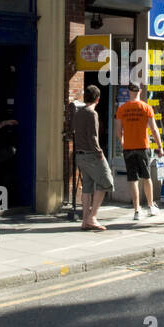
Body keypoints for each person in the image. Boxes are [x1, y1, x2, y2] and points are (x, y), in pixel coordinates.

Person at [116, 84, 163, 221]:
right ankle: (150, 206)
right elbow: (154, 129)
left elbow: (118, 131)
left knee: (133, 179)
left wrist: (122, 141)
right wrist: (160, 146)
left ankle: (137, 210)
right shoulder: (146, 107)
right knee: (146, 177)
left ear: (129, 92)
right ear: (140, 91)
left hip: (128, 147)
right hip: (143, 146)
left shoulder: (122, 109)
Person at [71, 84, 114, 231]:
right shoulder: (92, 113)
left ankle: (85, 221)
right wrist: (99, 153)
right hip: (91, 155)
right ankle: (92, 217)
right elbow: (93, 137)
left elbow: (74, 133)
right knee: (106, 181)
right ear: (98, 99)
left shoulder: (78, 113)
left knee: (88, 187)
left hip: (80, 155)